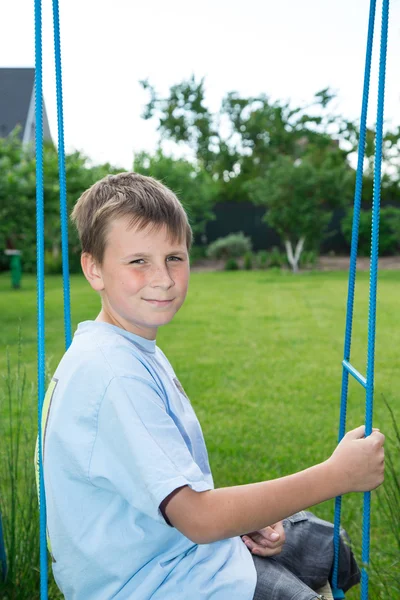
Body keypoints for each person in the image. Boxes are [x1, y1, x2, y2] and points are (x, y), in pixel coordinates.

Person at [40, 172, 385, 600]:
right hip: (152, 582)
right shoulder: (113, 373)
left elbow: (171, 489)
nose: (162, 278)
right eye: (138, 261)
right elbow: (199, 519)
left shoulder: (129, 346)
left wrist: (239, 518)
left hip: (177, 546)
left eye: (174, 258)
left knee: (329, 546)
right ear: (94, 268)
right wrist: (336, 475)